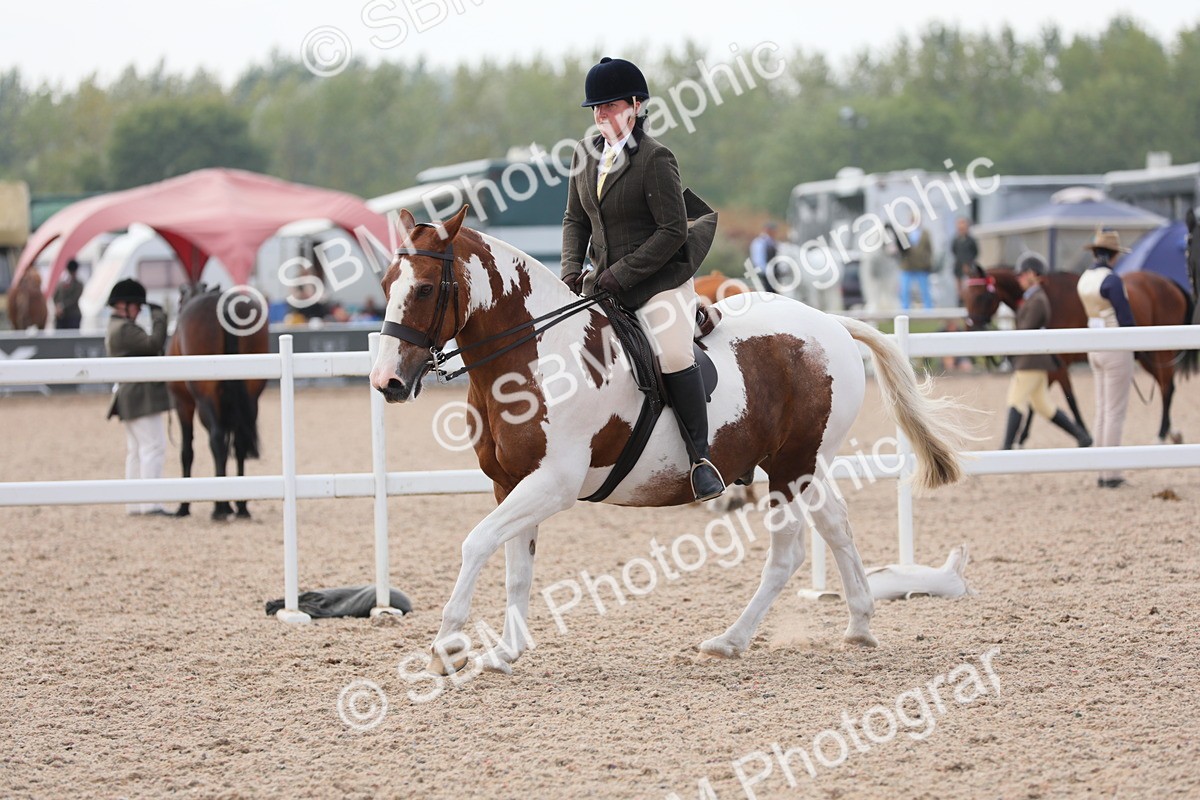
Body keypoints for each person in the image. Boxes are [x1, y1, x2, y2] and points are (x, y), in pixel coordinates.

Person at [561, 56, 723, 501]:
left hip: (659, 283)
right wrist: (571, 271)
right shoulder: (584, 153)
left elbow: (672, 232)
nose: (601, 116)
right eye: (596, 109)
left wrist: (620, 274)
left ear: (636, 105)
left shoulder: (655, 158)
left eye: (610, 106)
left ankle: (700, 458)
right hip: (604, 283)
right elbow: (575, 220)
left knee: (672, 354)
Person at [1000, 253, 1092, 450]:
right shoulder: (1033, 298)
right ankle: (1082, 436)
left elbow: (1025, 331)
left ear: (1033, 274)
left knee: (1015, 400)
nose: (1019, 279)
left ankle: (1006, 447)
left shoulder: (1038, 300)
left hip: (1030, 361)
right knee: (1044, 406)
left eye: (1022, 275)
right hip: (1035, 361)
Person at [105, 278, 172, 516]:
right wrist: (160, 318)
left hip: (129, 395)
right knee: (154, 446)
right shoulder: (123, 329)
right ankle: (151, 504)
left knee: (136, 450)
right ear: (123, 305)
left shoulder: (116, 327)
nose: (140, 309)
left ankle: (134, 503)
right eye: (136, 305)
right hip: (139, 396)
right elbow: (154, 344)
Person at [1076, 229, 1136, 488]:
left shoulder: (1085, 278)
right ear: (1113, 254)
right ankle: (1111, 473)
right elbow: (1126, 319)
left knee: (1102, 409)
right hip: (1115, 347)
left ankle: (1101, 470)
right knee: (1115, 412)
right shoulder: (1112, 280)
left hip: (1094, 345)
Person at [898, 212, 934, 309]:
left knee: (925, 289)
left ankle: (928, 309)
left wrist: (928, 263)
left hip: (921, 266)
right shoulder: (905, 233)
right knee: (905, 290)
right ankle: (905, 309)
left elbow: (929, 250)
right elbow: (900, 250)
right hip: (907, 265)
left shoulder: (925, 233)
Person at [950, 217, 979, 303]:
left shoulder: (971, 240)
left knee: (969, 284)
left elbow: (975, 252)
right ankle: (960, 300)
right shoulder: (955, 240)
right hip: (958, 265)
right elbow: (953, 250)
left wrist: (969, 263)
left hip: (969, 266)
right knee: (959, 285)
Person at [54, 259, 85, 329]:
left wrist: (61, 306)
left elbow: (74, 299)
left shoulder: (78, 285)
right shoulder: (61, 283)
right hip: (61, 317)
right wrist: (57, 307)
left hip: (73, 316)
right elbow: (55, 297)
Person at [749, 221, 779, 292]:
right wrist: (769, 272)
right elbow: (758, 261)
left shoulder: (773, 243)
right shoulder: (760, 242)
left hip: (773, 275)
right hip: (764, 276)